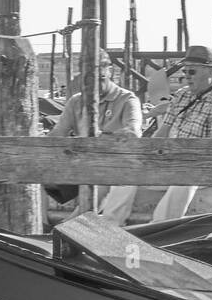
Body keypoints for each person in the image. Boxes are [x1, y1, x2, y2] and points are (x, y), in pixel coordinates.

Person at [148, 44, 212, 222]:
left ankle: (157, 228)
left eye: (191, 71)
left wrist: (179, 158)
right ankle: (109, 225)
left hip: (210, 166)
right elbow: (162, 134)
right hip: (178, 162)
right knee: (125, 174)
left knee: (187, 176)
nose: (187, 76)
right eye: (184, 72)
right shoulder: (182, 95)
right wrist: (145, 158)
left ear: (210, 70)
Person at [45, 51, 143, 225]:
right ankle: (41, 228)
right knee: (33, 176)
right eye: (90, 79)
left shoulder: (127, 99)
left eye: (100, 77)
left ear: (110, 71)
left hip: (114, 165)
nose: (95, 84)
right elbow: (57, 135)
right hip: (81, 165)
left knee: (108, 179)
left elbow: (133, 133)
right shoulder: (76, 101)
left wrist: (98, 138)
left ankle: (71, 227)